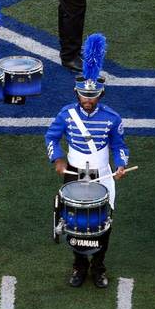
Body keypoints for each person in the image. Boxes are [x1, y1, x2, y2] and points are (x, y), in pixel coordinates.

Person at [44, 33, 128, 288]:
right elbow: (51, 137)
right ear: (77, 93)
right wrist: (57, 159)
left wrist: (121, 164)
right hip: (74, 172)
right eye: (83, 95)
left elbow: (119, 145)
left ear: (100, 95)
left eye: (92, 96)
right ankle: (79, 266)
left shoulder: (112, 117)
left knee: (103, 221)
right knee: (77, 221)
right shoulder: (66, 114)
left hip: (103, 174)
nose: (88, 100)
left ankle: (99, 267)